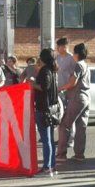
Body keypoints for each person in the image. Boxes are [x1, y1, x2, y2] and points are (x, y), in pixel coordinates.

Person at [27, 48, 59, 177]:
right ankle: (52, 166)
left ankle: (47, 168)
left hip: (43, 108)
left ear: (43, 58)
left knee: (46, 140)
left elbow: (43, 87)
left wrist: (32, 83)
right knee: (50, 139)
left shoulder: (45, 71)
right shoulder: (52, 70)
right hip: (51, 109)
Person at [56, 43, 91, 161]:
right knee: (81, 126)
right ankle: (79, 154)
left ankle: (61, 154)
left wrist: (60, 88)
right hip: (86, 97)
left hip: (77, 97)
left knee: (64, 124)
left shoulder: (78, 66)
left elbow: (72, 82)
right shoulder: (86, 65)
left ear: (76, 54)